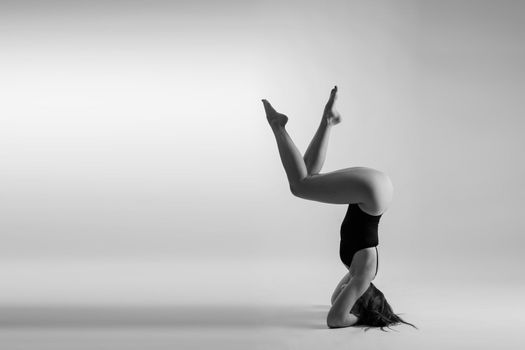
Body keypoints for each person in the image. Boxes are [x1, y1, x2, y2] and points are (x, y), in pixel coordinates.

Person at [262, 86, 416, 330]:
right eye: (356, 303)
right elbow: (335, 319)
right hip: (372, 194)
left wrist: (352, 303)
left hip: (375, 190)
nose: (347, 292)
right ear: (363, 303)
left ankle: (328, 120)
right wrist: (360, 318)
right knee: (299, 186)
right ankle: (277, 125)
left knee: (308, 177)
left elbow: (335, 299)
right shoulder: (364, 276)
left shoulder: (359, 275)